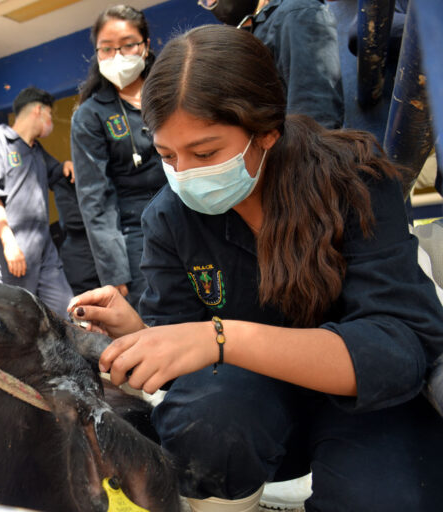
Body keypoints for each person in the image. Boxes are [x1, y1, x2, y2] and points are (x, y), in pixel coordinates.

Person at [69, 25, 443, 511]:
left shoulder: (353, 181)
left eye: (205, 153)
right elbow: (187, 370)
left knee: (383, 497)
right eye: (167, 155)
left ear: (267, 129)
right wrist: (139, 333)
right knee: (205, 429)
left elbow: (401, 349)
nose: (184, 173)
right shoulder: (169, 217)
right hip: (256, 412)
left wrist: (222, 338)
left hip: (371, 404)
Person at [70, 4, 167, 311]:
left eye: (128, 45)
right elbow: (95, 198)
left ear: (146, 45)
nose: (118, 56)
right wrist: (115, 272)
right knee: (155, 321)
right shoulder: (91, 115)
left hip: (193, 214)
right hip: (136, 232)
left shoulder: (173, 91)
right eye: (107, 49)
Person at [0, 86, 74, 317]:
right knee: (14, 319)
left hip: (43, 248)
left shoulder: (36, 150)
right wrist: (9, 243)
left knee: (64, 308)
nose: (51, 121)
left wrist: (66, 165)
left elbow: (56, 172)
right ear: (38, 110)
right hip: (11, 248)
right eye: (50, 115)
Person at [201, 0, 344, 129]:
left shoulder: (296, 12)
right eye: (206, 1)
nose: (212, 2)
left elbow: (315, 117)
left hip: (300, 152)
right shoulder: (251, 30)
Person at [51, 172, 101, 295]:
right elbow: (72, 221)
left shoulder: (109, 172)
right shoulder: (66, 177)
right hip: (80, 257)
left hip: (107, 257)